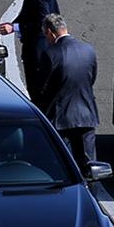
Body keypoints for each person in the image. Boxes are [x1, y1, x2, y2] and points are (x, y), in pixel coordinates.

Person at [35, 13, 99, 166]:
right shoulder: (88, 50)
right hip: (86, 115)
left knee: (63, 164)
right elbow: (91, 78)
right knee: (90, 166)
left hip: (60, 119)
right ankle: (91, 190)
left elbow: (42, 88)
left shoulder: (51, 54)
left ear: (50, 32)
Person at [0, 0, 61, 96]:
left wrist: (14, 28)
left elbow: (42, 23)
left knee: (38, 90)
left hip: (40, 50)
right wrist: (12, 24)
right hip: (40, 49)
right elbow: (31, 14)